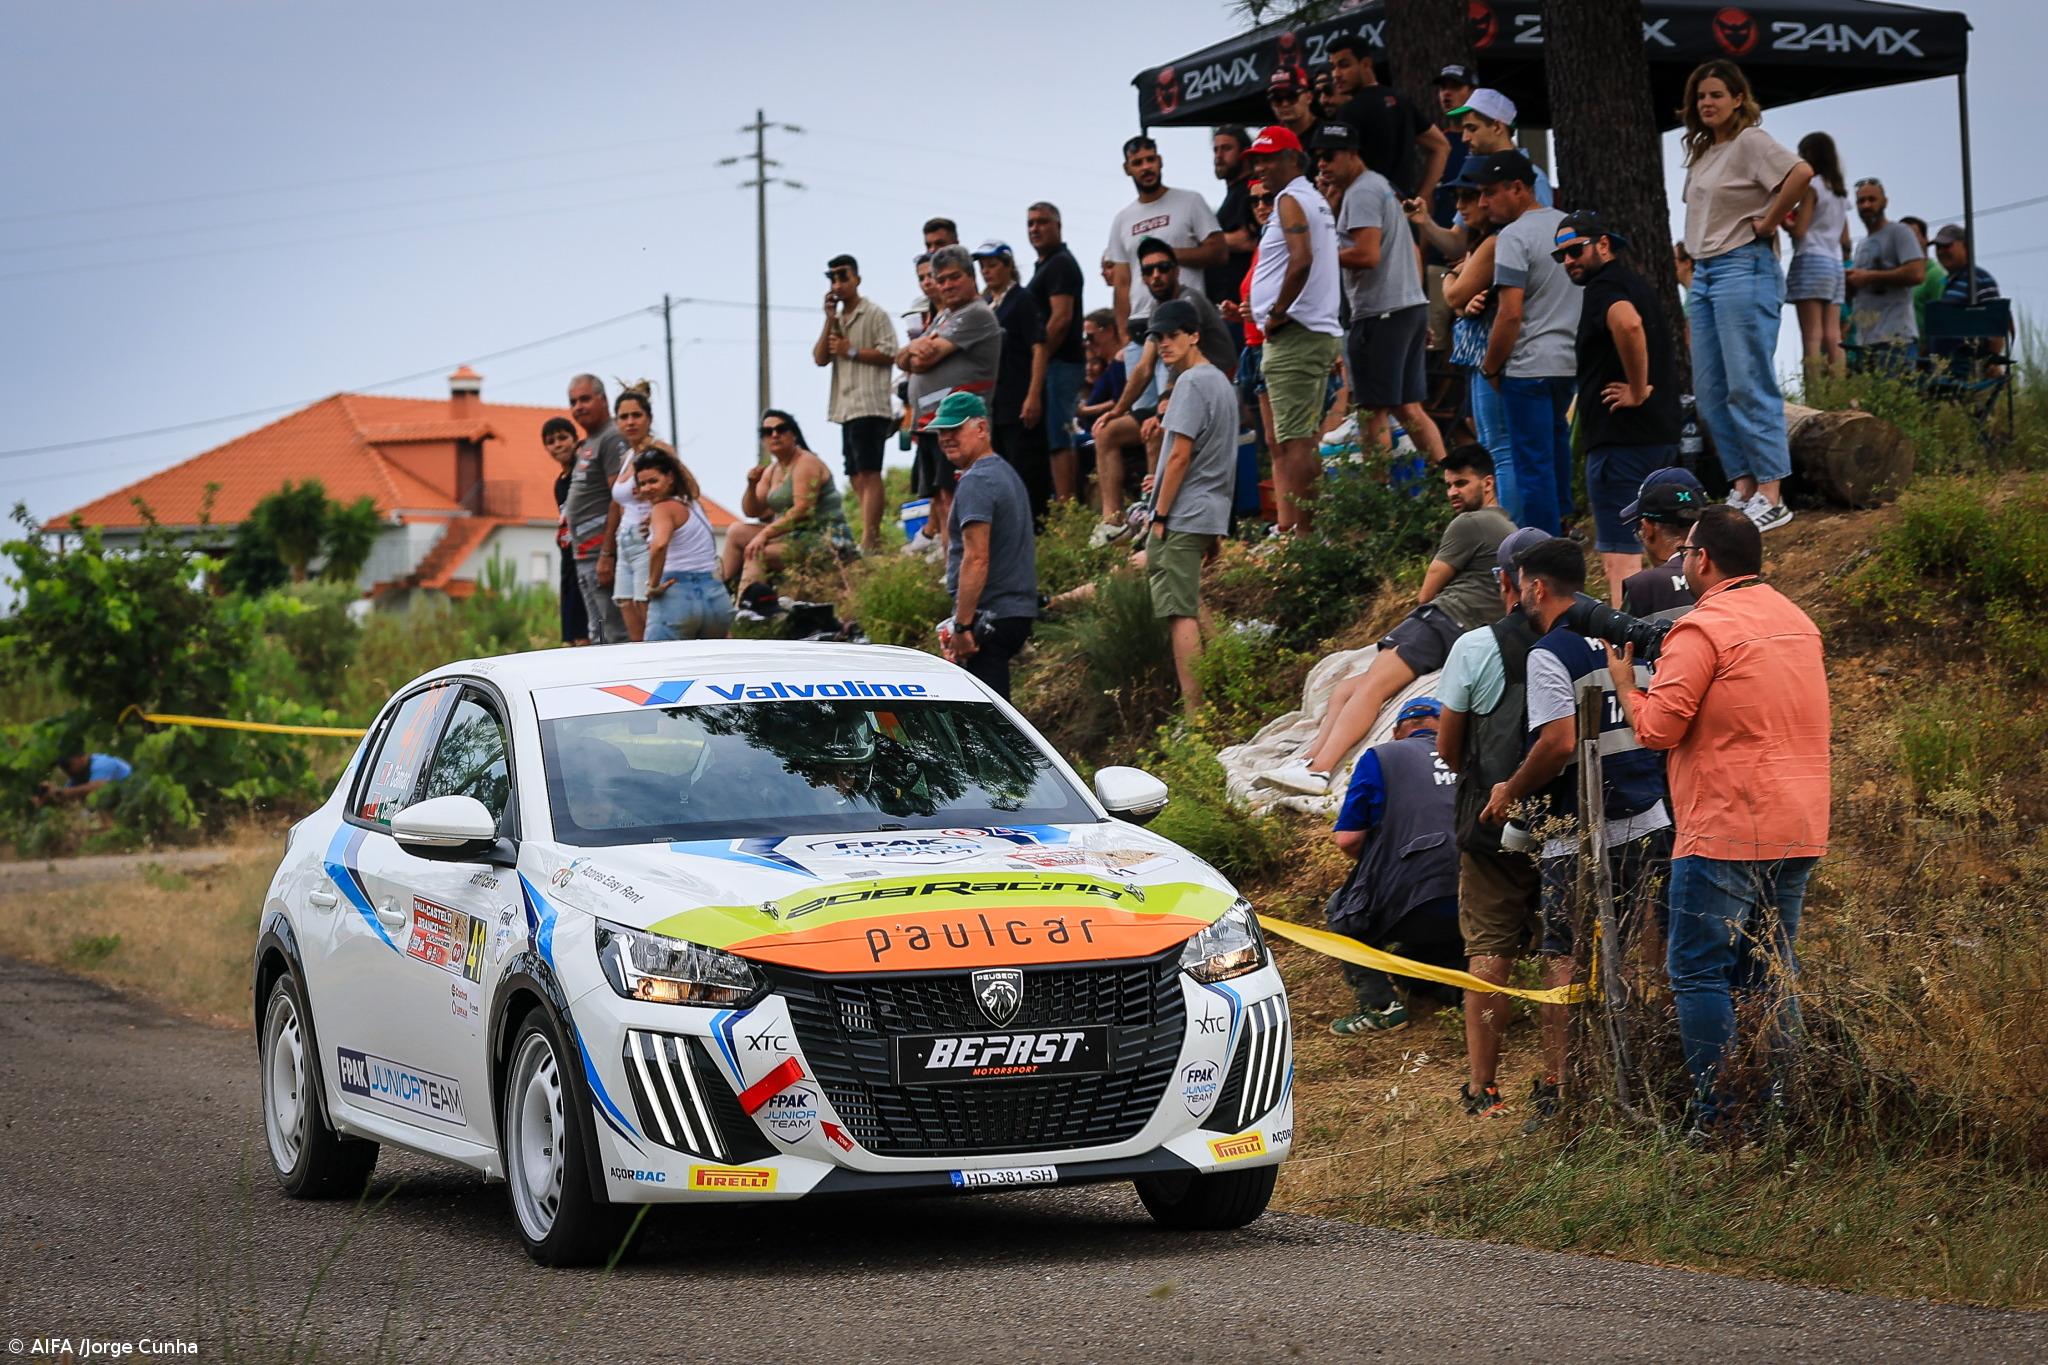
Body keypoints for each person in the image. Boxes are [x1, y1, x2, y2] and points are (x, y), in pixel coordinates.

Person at [1605, 505, 1830, 1136]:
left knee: (1699, 971)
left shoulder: (1701, 630)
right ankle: (1785, 1108)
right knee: (1770, 969)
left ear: (1701, 560)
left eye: (1686, 554)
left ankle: (1723, 1119)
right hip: (1800, 821)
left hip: (1728, 825)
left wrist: (1627, 683)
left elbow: (1658, 728)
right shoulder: (1798, 621)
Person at [1481, 536, 1672, 1131]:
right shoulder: (1628, 638)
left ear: (1535, 587)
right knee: (1651, 947)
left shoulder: (1550, 652)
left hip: (1580, 829)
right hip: (1650, 814)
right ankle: (1653, 1067)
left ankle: (1560, 1084)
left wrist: (1510, 789)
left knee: (1562, 955)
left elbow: (1558, 743)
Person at [1263, 445, 1513, 796]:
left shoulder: (1470, 523)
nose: (1453, 492)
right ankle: (1307, 758)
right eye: (1448, 485)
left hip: (1443, 619)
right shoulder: (1507, 526)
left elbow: (1427, 592)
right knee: (1346, 689)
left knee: (1372, 687)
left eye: (1461, 483)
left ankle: (1319, 771)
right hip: (1460, 627)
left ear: (1487, 483)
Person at [1433, 526, 1552, 1119]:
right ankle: (1558, 1083)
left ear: (1504, 582)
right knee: (1566, 949)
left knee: (1489, 951)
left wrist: (1490, 785)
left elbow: (1449, 746)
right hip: (1568, 822)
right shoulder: (1585, 639)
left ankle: (1483, 1088)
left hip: (1489, 822)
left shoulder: (1475, 647)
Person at [1678, 60, 1814, 534]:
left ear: (1739, 98)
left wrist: (1771, 220)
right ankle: (1743, 488)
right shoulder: (1702, 153)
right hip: (1705, 272)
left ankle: (1773, 494)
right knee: (1711, 391)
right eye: (1700, 97)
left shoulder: (1751, 141)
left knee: (1747, 382)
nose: (1707, 103)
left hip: (1744, 265)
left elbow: (1801, 173)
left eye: (1716, 94)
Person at [1555, 210, 1682, 601]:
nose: (1569, 261)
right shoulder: (1636, 284)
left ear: (1603, 245)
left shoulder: (1604, 288)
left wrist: (1638, 389)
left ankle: (1633, 650)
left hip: (1620, 443)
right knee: (1670, 552)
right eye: (1562, 256)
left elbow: (1627, 325)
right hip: (1658, 437)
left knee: (1620, 558)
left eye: (1576, 250)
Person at [1323, 697, 1466, 1035]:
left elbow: (1348, 840)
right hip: (1482, 897)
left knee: (1340, 907)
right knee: (1412, 953)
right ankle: (1463, 991)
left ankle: (1381, 1008)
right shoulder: (1472, 754)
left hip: (1416, 895)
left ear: (1397, 731)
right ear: (1444, 725)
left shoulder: (1382, 756)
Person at [1317, 122, 1447, 465]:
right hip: (1405, 306)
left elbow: (1366, 255)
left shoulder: (1361, 192)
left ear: (1351, 154)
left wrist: (1317, 255)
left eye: (1329, 156)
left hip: (1381, 312)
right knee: (1407, 407)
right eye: (1317, 158)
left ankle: (1381, 504)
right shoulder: (1379, 185)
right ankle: (1445, 485)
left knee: (1371, 411)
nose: (1322, 165)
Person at [1089, 239, 1235, 542]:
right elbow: (1144, 367)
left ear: (1177, 271)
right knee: (1106, 431)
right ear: (1141, 277)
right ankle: (1113, 524)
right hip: (1186, 392)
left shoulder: (1188, 304)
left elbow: (1175, 366)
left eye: (1163, 268)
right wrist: (1116, 410)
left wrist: (1161, 408)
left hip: (1213, 390)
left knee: (1156, 428)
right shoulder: (1159, 310)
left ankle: (1155, 517)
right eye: (1149, 270)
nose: (1156, 275)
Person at [1471, 150, 1579, 536]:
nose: (1483, 203)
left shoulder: (1513, 236)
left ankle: (1542, 548)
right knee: (1555, 448)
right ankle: (1563, 526)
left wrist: (1491, 366)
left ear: (1517, 188)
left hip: (1527, 366)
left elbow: (1510, 313)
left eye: (1489, 193)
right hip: (1567, 362)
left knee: (1531, 463)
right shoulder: (1566, 225)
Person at [1245, 124, 1343, 534]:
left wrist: (1277, 312)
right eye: (1257, 160)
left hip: (1297, 332)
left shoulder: (1289, 199)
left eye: (1269, 158)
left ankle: (1304, 536)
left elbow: (1300, 260)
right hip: (1310, 329)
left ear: (1292, 159)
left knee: (1294, 440)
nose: (1261, 167)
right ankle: (1295, 531)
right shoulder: (1312, 198)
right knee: (1290, 438)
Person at [1144, 297, 1239, 717]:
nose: (1165, 344)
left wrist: (1160, 516)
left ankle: (1196, 717)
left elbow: (1180, 455)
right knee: (1189, 598)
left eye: (1173, 336)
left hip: (1184, 513)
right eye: (1159, 338)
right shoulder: (1220, 380)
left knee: (1178, 613)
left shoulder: (1191, 383)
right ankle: (1234, 676)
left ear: (1194, 335)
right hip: (1209, 509)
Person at [929, 392, 1038, 700]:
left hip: (993, 617)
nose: (947, 438)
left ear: (981, 428)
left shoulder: (977, 481)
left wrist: (963, 627)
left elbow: (976, 559)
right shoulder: (1004, 472)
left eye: (955, 429)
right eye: (942, 431)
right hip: (1014, 613)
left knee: (989, 722)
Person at [899, 244, 1002, 559]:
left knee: (960, 499)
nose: (946, 285)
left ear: (971, 277)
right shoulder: (944, 315)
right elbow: (903, 358)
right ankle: (952, 569)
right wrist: (913, 352)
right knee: (942, 499)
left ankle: (964, 567)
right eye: (940, 280)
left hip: (960, 422)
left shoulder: (976, 313)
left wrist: (916, 352)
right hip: (933, 422)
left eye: (953, 277)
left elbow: (923, 360)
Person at [1104, 135, 1224, 351]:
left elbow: (1218, 251)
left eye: (1150, 160)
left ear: (1160, 161)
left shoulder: (1190, 201)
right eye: (1138, 162)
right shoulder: (1122, 219)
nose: (1146, 167)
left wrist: (1166, 255)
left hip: (1183, 316)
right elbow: (1121, 282)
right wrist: (1123, 335)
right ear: (1127, 168)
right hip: (1140, 324)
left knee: (1180, 385)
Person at [812, 253, 900, 552]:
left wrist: (852, 351)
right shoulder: (836, 320)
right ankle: (867, 533)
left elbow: (891, 352)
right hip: (846, 406)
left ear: (857, 279)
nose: (837, 283)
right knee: (854, 473)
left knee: (869, 470)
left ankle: (870, 539)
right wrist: (828, 319)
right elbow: (820, 358)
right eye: (832, 278)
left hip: (871, 403)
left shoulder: (874, 313)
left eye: (842, 276)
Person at [719, 410, 853, 591]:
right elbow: (752, 511)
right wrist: (751, 485)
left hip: (824, 538)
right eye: (767, 432)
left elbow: (802, 510)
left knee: (759, 552)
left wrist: (763, 535)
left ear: (794, 434)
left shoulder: (806, 462)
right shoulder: (772, 470)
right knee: (736, 531)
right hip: (792, 537)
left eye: (781, 429)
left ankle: (753, 609)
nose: (774, 435)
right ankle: (720, 590)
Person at [974, 240, 1051, 525]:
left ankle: (1037, 528)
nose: (987, 271)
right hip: (994, 402)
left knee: (1026, 468)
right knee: (1000, 468)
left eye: (992, 265)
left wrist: (1034, 395)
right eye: (982, 266)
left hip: (1019, 398)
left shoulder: (1023, 299)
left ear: (1008, 265)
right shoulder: (983, 305)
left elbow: (1039, 346)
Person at [1325, 35, 1448, 204]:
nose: (1336, 74)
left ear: (1366, 64)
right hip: (1403, 213)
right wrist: (1422, 197)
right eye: (1333, 67)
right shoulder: (1401, 100)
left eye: (1344, 65)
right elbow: (1441, 146)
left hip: (1369, 211)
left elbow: (1341, 169)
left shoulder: (1350, 110)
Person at [635, 447, 731, 641]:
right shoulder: (693, 503)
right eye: (642, 483)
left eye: (653, 481)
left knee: (657, 667)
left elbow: (660, 545)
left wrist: (652, 585)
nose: (647, 488)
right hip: (715, 597)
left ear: (670, 477)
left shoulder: (662, 508)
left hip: (677, 596)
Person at [1026, 202, 1087, 505]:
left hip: (1060, 363)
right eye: (1030, 223)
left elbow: (1061, 319)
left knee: (1058, 437)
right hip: (1050, 364)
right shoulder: (1045, 265)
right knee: (1049, 439)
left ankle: (1067, 508)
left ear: (1058, 226)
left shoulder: (1061, 263)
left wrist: (1036, 361)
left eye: (1042, 222)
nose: (1035, 228)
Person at [564, 374, 630, 644]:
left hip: (600, 555)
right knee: (597, 634)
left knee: (611, 636)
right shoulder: (589, 442)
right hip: (583, 556)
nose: (578, 406)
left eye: (585, 399)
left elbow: (619, 497)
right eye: (573, 401)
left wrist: (607, 553)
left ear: (603, 400)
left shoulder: (611, 438)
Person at [1220, 176, 1278, 454]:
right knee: (1272, 441)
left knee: (1285, 439)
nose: (1261, 206)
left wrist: (1254, 312)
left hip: (1274, 345)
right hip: (1255, 347)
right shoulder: (1263, 243)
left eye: (1268, 198)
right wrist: (1238, 313)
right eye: (1255, 200)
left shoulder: (1281, 241)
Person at [1785, 133, 1850, 380]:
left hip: (1811, 258)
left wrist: (1783, 221)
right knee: (1834, 335)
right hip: (1834, 263)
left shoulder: (1812, 186)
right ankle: (1839, 392)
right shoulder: (1840, 192)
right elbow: (1845, 239)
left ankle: (1814, 395)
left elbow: (1801, 230)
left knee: (1811, 335)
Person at [1846, 177, 1926, 372]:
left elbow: (1917, 272)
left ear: (1885, 202)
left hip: (1896, 340)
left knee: (1896, 399)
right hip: (1867, 341)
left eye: (1872, 199)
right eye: (1861, 201)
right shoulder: (1863, 244)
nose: (1866, 205)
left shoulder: (1899, 232)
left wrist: (1869, 277)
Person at [610, 383, 665, 642]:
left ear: (649, 418)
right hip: (625, 541)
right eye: (624, 417)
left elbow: (685, 492)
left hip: (646, 540)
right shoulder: (628, 456)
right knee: (626, 605)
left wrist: (657, 516)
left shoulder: (660, 450)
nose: (630, 422)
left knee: (647, 611)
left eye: (636, 415)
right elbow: (621, 501)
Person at [1618, 468, 1706, 622]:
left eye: (1639, 528)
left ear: (1647, 528)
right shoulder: (1728, 571)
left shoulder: (1643, 586)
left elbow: (1620, 643)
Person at [1445, 89, 1553, 206]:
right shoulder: (1478, 173)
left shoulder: (1535, 179)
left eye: (1472, 128)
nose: (1464, 138)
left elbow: (1544, 223)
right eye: (1464, 130)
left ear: (1497, 127)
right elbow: (1461, 225)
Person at [1930, 223, 2008, 363]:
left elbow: (1996, 326)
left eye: (1947, 246)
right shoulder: (1945, 281)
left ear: (1965, 246)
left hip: (1968, 365)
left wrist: (1991, 362)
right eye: (1938, 247)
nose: (1941, 252)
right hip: (1943, 364)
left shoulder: (1979, 279)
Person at [544, 416, 590, 647]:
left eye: (563, 438)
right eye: (551, 441)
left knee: (586, 632)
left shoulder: (582, 474)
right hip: (567, 557)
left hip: (586, 554)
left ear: (574, 439)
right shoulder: (559, 483)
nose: (558, 445)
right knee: (570, 635)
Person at [1209, 125, 1257, 344]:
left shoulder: (1252, 192)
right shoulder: (1231, 196)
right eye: (1216, 149)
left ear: (1244, 154)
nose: (1219, 156)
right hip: (1226, 311)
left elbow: (1248, 240)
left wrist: (1204, 243)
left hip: (1244, 311)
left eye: (1226, 148)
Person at [1899, 216, 1948, 346]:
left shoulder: (1935, 275)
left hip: (1922, 355)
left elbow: (1940, 320)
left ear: (1925, 240)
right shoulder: (1897, 276)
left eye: (1912, 237)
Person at [37, 753, 133, 807]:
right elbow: (69, 803)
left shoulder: (102, 763)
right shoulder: (77, 776)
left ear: (81, 757)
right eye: (62, 767)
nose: (66, 770)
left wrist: (60, 792)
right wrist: (48, 796)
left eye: (67, 765)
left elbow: (97, 788)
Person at [1265, 66, 1319, 144]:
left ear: (1309, 97)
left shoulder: (1328, 135)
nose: (1285, 104)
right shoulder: (1268, 140)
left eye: (1291, 96)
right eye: (1277, 99)